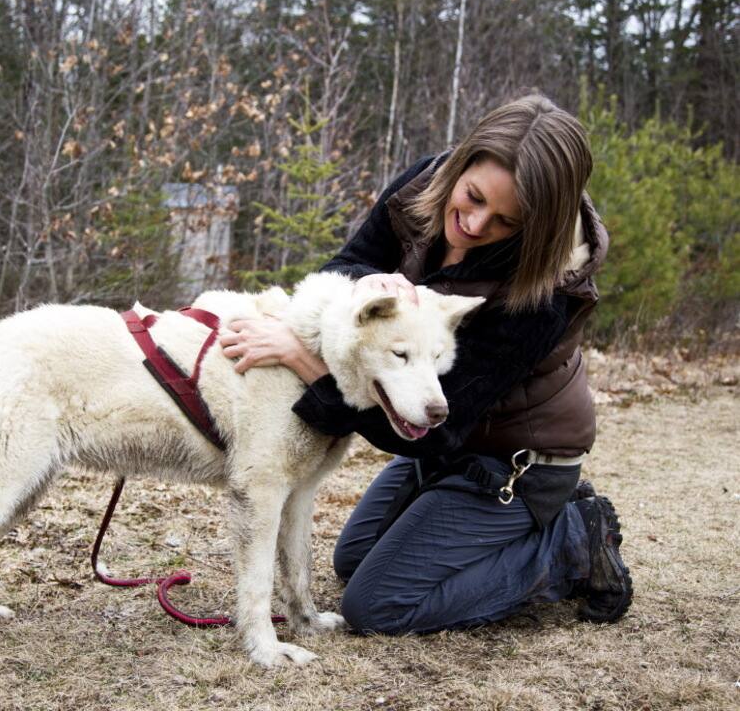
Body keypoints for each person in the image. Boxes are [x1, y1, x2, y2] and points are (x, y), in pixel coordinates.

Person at [218, 94, 633, 634]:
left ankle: (569, 542)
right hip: (441, 447)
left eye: (506, 221)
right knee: (352, 562)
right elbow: (346, 263)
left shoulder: (546, 290)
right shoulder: (423, 185)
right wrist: (365, 281)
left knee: (378, 606)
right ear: (460, 165)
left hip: (511, 462)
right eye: (473, 196)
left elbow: (434, 429)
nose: (475, 223)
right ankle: (488, 527)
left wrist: (305, 362)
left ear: (539, 224)